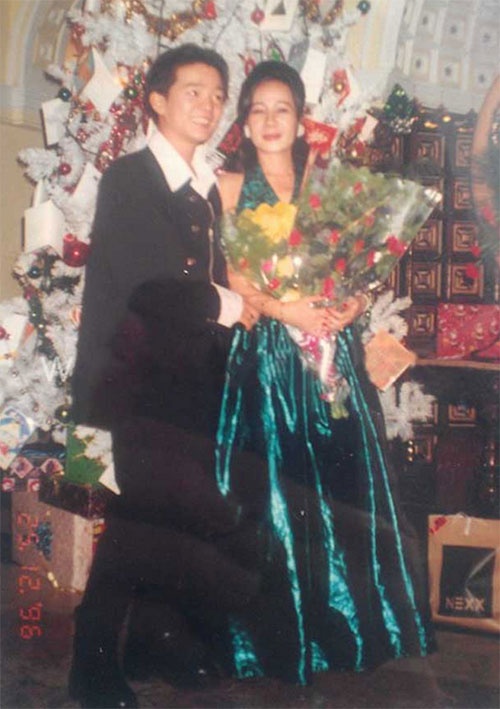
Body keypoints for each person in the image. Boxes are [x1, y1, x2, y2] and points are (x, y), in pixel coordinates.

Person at [69, 44, 285, 709]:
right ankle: (90, 662)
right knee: (138, 519)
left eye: (219, 94)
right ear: (157, 100)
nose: (211, 105)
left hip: (194, 384)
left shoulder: (209, 186)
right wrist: (228, 302)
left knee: (178, 517)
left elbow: (224, 268)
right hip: (134, 383)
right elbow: (148, 282)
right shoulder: (130, 179)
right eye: (195, 91)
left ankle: (154, 641)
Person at [214, 60, 436, 685]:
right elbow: (235, 277)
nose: (270, 120)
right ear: (244, 122)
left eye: (281, 108)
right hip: (270, 362)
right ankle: (280, 638)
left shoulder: (327, 184)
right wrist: (289, 310)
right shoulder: (229, 186)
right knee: (276, 493)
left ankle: (353, 633)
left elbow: (367, 265)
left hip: (333, 354)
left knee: (345, 489)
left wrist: (353, 304)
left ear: (300, 118)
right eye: (257, 109)